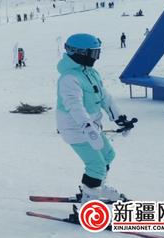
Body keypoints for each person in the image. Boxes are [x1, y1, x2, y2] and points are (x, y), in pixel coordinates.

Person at [57, 34, 137, 203]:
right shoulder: (69, 79)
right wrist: (87, 128)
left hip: (92, 127)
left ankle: (96, 186)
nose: (96, 58)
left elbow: (104, 97)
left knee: (108, 154)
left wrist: (119, 118)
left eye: (97, 53)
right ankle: (88, 200)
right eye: (93, 54)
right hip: (76, 129)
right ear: (79, 53)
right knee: (96, 165)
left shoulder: (91, 73)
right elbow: (75, 106)